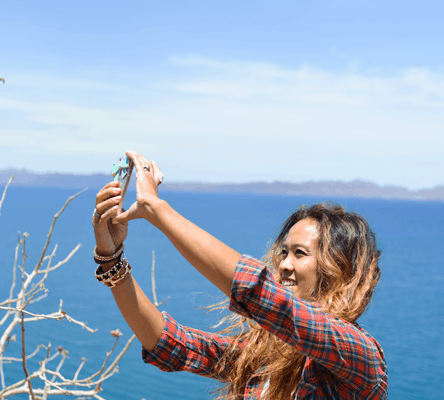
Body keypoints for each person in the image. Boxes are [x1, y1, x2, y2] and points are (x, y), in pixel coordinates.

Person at [92, 151, 388, 399]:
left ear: (340, 269)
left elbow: (261, 295)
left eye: (300, 254)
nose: (284, 264)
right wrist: (111, 257)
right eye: (284, 252)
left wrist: (156, 209)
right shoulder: (265, 357)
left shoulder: (359, 355)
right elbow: (170, 344)